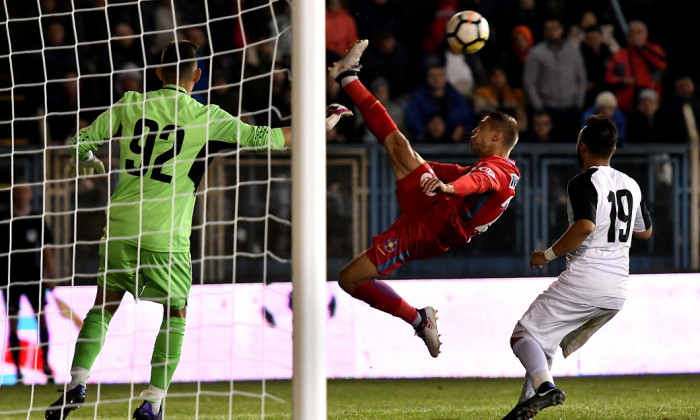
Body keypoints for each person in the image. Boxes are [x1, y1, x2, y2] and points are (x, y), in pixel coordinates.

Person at [45, 39, 349, 420]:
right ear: (198, 75)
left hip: (120, 227)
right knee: (175, 313)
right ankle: (152, 402)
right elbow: (266, 139)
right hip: (166, 235)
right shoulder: (206, 116)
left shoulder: (130, 103)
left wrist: (89, 160)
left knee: (103, 306)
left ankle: (76, 381)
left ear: (157, 73)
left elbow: (77, 141)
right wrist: (320, 124)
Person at [329, 39, 520, 358]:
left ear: (497, 137)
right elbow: (465, 173)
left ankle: (418, 319)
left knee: (350, 278)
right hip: (436, 209)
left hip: (432, 227)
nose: (474, 131)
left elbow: (474, 182)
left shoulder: (495, 171)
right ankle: (348, 77)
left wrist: (447, 187)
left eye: (482, 128)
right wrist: (424, 165)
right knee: (398, 146)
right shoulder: (502, 168)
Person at [501, 114, 652, 420]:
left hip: (588, 278)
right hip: (617, 290)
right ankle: (526, 408)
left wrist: (546, 255)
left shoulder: (582, 182)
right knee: (545, 341)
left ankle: (545, 389)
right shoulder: (631, 184)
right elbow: (645, 230)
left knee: (522, 335)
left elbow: (584, 226)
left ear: (583, 146)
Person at [1, 181, 57, 384]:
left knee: (41, 319)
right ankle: (17, 371)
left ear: (31, 195)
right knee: (12, 322)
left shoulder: (37, 219)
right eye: (19, 192)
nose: (23, 195)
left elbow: (47, 249)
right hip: (11, 278)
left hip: (34, 277)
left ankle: (46, 365)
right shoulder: (4, 219)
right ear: (13, 195)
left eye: (26, 191)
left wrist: (51, 276)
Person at [523, 17, 587, 142]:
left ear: (562, 30)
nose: (552, 32)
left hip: (571, 108)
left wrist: (578, 103)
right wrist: (539, 107)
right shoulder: (536, 53)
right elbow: (529, 83)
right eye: (548, 29)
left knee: (571, 145)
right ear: (544, 32)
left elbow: (581, 78)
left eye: (555, 28)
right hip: (547, 109)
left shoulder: (573, 50)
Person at [604, 20, 667, 113]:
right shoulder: (620, 55)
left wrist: (643, 47)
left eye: (639, 32)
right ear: (628, 36)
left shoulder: (654, 49)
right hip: (627, 104)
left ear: (646, 34)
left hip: (651, 102)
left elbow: (661, 64)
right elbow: (608, 77)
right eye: (632, 33)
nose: (636, 35)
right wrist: (622, 80)